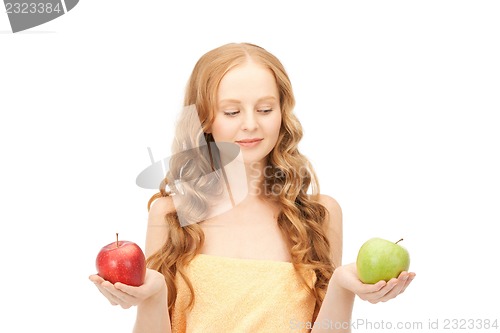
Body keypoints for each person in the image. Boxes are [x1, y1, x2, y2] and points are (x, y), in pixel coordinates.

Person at [89, 42, 416, 333]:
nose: (250, 124)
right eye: (231, 111)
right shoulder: (172, 213)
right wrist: (154, 294)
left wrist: (344, 287)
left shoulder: (319, 215)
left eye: (265, 109)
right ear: (204, 119)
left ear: (282, 113)